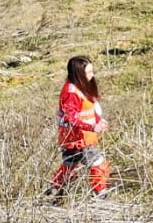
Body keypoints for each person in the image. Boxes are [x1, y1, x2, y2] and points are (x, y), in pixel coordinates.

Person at [47, 56, 109, 198]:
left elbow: (87, 109)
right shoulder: (71, 93)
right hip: (79, 139)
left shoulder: (79, 88)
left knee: (70, 167)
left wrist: (98, 120)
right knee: (98, 165)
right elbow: (70, 118)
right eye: (88, 73)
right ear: (78, 74)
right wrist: (92, 127)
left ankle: (53, 191)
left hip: (76, 139)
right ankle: (101, 195)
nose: (92, 75)